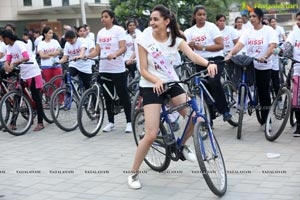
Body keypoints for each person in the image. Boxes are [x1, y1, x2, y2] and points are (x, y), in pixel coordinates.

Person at [127, 4, 218, 190]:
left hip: (171, 83)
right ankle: (133, 173)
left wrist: (208, 63)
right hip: (151, 86)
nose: (151, 22)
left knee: (196, 117)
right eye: (151, 19)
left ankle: (182, 146)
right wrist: (155, 80)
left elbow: (193, 56)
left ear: (166, 21)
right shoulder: (144, 39)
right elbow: (143, 69)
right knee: (151, 135)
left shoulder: (175, 39)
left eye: (156, 19)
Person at [226, 8, 278, 127]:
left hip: (264, 66)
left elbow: (272, 46)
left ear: (260, 18)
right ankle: (244, 103)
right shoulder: (248, 31)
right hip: (249, 64)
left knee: (263, 93)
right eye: (250, 16)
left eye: (254, 16)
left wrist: (264, 56)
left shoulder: (268, 30)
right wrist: (230, 54)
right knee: (242, 83)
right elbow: (239, 45)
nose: (252, 19)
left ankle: (266, 120)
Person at [86, 9, 132, 133]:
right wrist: (86, 56)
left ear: (112, 18)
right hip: (104, 67)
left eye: (106, 16)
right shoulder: (100, 33)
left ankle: (129, 122)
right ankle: (111, 123)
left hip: (117, 68)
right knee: (107, 97)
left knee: (123, 95)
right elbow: (96, 51)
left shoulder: (119, 30)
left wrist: (114, 54)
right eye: (102, 17)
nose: (103, 19)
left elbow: (123, 48)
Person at [184, 5, 232, 122]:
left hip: (216, 59)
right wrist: (189, 47)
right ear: (194, 16)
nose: (202, 17)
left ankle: (225, 110)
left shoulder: (211, 27)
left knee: (213, 81)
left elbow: (220, 45)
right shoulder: (189, 31)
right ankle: (210, 115)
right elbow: (186, 49)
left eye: (203, 15)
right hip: (200, 61)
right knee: (202, 87)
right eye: (199, 15)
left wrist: (203, 47)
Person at [0, 29, 45, 131]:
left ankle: (40, 122)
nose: (2, 41)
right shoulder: (8, 47)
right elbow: (8, 59)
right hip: (22, 72)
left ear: (7, 38)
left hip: (32, 71)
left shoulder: (19, 44)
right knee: (17, 95)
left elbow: (26, 57)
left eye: (3, 39)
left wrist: (14, 63)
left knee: (36, 97)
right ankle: (13, 123)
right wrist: (7, 65)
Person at [277, 11, 300, 137]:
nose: (299, 22)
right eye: (298, 19)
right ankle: (299, 126)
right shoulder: (295, 33)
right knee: (296, 98)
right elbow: (288, 44)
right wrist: (279, 49)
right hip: (297, 69)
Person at [269, 17, 287, 96]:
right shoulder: (269, 31)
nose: (273, 23)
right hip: (267, 60)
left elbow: (285, 39)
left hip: (279, 48)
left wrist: (281, 47)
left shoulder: (279, 29)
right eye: (272, 22)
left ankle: (279, 99)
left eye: (274, 21)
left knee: (276, 80)